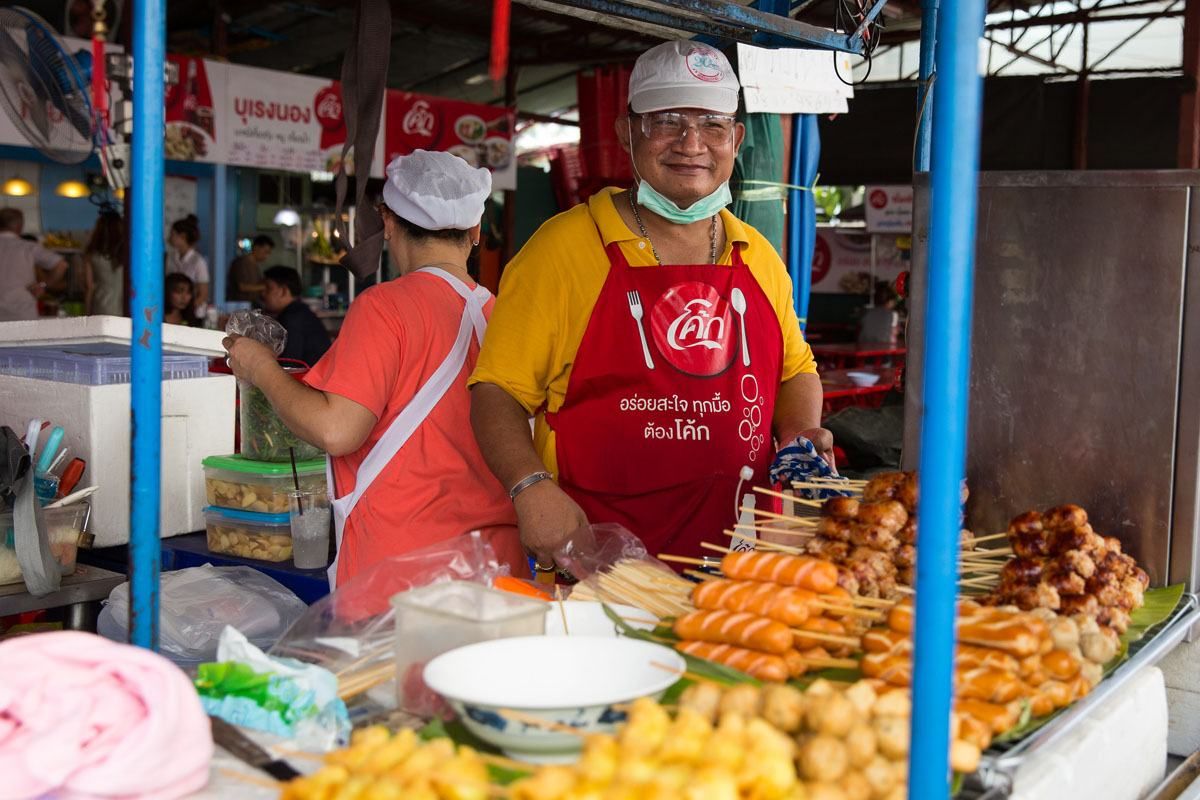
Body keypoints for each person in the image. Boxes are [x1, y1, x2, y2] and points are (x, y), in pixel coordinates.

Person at [469, 41, 833, 570]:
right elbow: (496, 391)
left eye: (712, 123)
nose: (692, 143)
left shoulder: (758, 255)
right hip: (600, 565)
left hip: (743, 564)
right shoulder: (564, 248)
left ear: (735, 138)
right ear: (626, 132)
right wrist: (529, 488)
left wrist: (799, 438)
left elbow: (796, 371)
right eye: (667, 121)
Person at [223, 149, 525, 586]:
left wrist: (260, 366)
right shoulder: (502, 314)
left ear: (387, 222)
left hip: (402, 571)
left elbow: (337, 430)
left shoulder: (384, 307)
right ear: (476, 230)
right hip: (495, 565)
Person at [0, 208, 67, 322]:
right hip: (22, 311)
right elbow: (61, 265)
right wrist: (44, 285)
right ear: (20, 226)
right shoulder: (28, 247)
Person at [260, 265, 331, 367]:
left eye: (268, 288)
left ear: (283, 291)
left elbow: (289, 364)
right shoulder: (297, 312)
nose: (263, 293)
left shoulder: (293, 318)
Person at [84, 210, 125, 316]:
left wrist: (87, 313)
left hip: (100, 307)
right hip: (124, 307)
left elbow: (89, 287)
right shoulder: (128, 254)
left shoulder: (91, 254)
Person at [166, 215, 209, 308]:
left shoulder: (198, 261)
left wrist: (189, 310)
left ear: (182, 236)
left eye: (173, 234)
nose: (170, 238)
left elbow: (203, 293)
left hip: (193, 311)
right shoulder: (171, 257)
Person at [228, 235, 273, 302]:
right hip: (239, 305)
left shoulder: (255, 265)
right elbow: (242, 287)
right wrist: (265, 287)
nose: (266, 256)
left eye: (268, 253)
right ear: (256, 247)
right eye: (265, 252)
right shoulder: (242, 263)